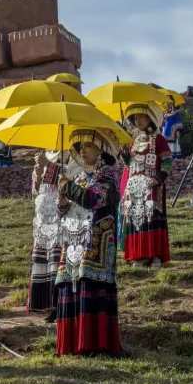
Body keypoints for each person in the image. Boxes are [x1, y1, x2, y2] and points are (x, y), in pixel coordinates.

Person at [54, 129, 123, 357]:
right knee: (72, 287)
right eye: (80, 147)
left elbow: (94, 199)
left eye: (88, 146)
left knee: (91, 287)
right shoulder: (80, 177)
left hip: (96, 244)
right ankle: (72, 344)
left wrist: (67, 187)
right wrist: (62, 200)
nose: (83, 151)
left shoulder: (109, 176)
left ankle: (94, 344)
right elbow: (64, 210)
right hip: (74, 242)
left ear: (101, 150)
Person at [28, 150, 80, 319]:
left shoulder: (74, 158)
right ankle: (44, 304)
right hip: (44, 218)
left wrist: (56, 168)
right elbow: (37, 191)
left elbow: (71, 184)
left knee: (58, 259)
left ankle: (59, 304)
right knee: (44, 258)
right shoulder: (45, 156)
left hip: (63, 216)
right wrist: (38, 171)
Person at [119, 103, 171, 269]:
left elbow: (167, 161)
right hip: (134, 187)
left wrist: (158, 178)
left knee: (151, 219)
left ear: (150, 118)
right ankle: (138, 256)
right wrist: (124, 154)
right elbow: (129, 164)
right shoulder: (132, 141)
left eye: (141, 116)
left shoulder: (159, 139)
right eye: (135, 118)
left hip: (151, 185)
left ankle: (155, 256)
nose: (137, 120)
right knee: (135, 219)